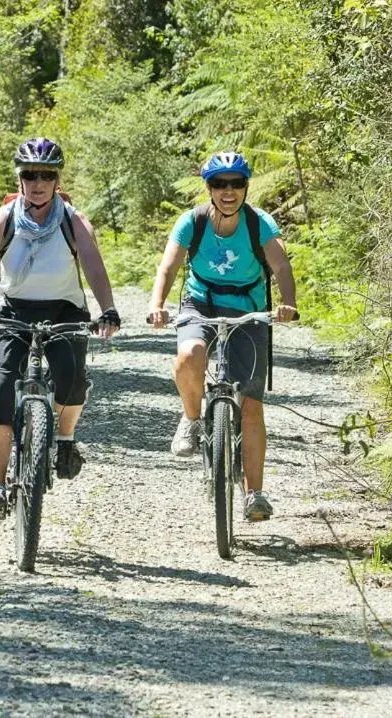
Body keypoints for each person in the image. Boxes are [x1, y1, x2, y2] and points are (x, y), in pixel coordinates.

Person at [0, 137, 121, 518]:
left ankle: (64, 439)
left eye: (46, 175)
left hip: (64, 308)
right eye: (30, 174)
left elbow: (94, 267)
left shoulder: (73, 220)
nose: (38, 182)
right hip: (9, 310)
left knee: (72, 379)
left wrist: (108, 309)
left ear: (57, 179)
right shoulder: (3, 218)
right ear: (19, 177)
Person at [147, 151, 298, 521]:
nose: (228, 191)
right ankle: (192, 418)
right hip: (201, 303)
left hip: (248, 308)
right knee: (190, 355)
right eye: (219, 184)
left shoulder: (258, 223)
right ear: (209, 188)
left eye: (236, 184)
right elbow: (168, 266)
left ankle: (255, 494)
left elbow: (280, 265)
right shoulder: (192, 222)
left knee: (250, 402)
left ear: (246, 187)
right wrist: (157, 304)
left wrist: (288, 304)